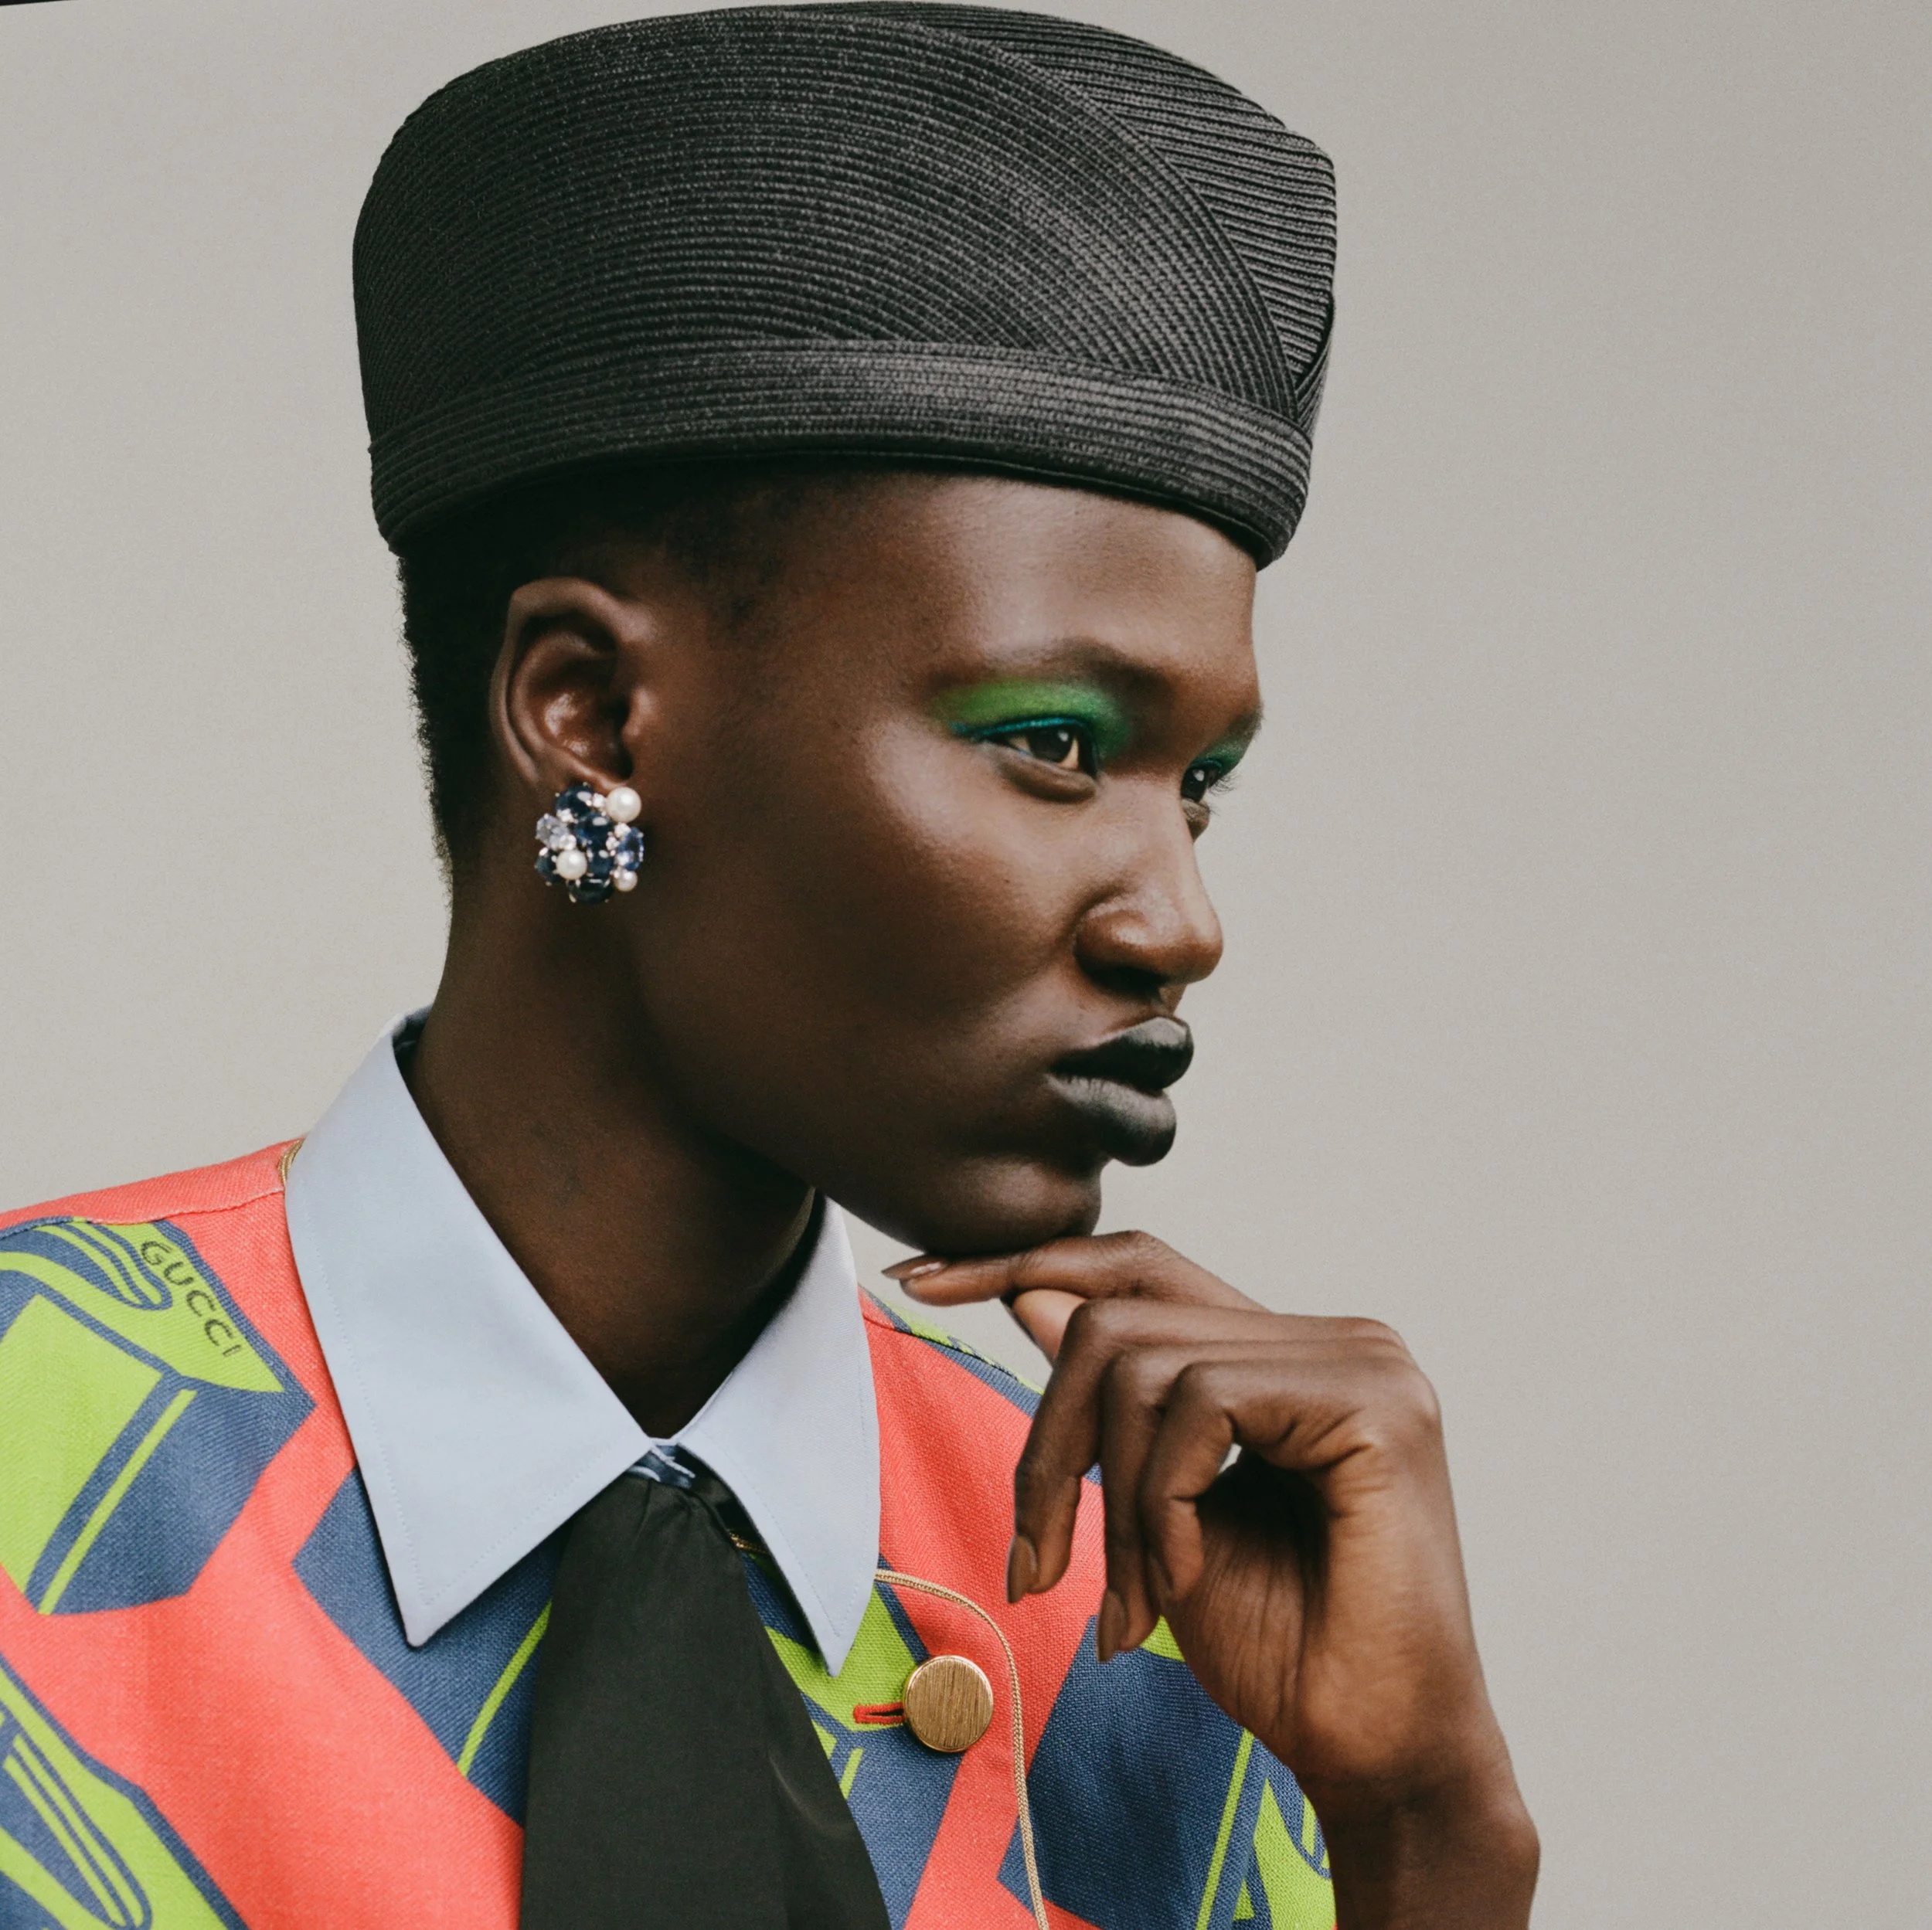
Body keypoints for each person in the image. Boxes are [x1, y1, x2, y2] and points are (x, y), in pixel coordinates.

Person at [0, 7, 1536, 1927]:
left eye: (1198, 783)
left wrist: (1426, 1828)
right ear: (588, 716)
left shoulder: (1158, 1596)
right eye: (1052, 742)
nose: (1177, 918)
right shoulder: (40, 1443)